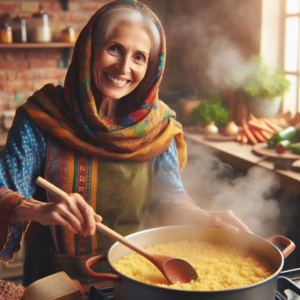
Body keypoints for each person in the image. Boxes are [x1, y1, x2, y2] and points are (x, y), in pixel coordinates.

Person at [0, 0, 251, 289]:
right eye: (115, 49)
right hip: (55, 280)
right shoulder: (42, 117)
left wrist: (202, 218)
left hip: (136, 274)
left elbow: (168, 197)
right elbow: (3, 190)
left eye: (139, 57)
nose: (124, 67)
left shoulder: (157, 125)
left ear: (152, 66)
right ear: (90, 49)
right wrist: (40, 210)